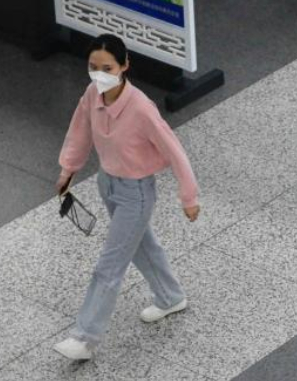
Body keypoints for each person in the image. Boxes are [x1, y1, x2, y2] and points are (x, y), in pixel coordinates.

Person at [53, 34, 200, 361]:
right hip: (107, 183)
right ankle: (170, 296)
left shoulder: (141, 109)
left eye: (107, 68)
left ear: (124, 66)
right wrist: (68, 170)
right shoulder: (92, 94)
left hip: (136, 193)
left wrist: (189, 197)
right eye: (93, 66)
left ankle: (84, 338)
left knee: (109, 265)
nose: (99, 74)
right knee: (142, 246)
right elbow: (79, 132)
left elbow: (174, 150)